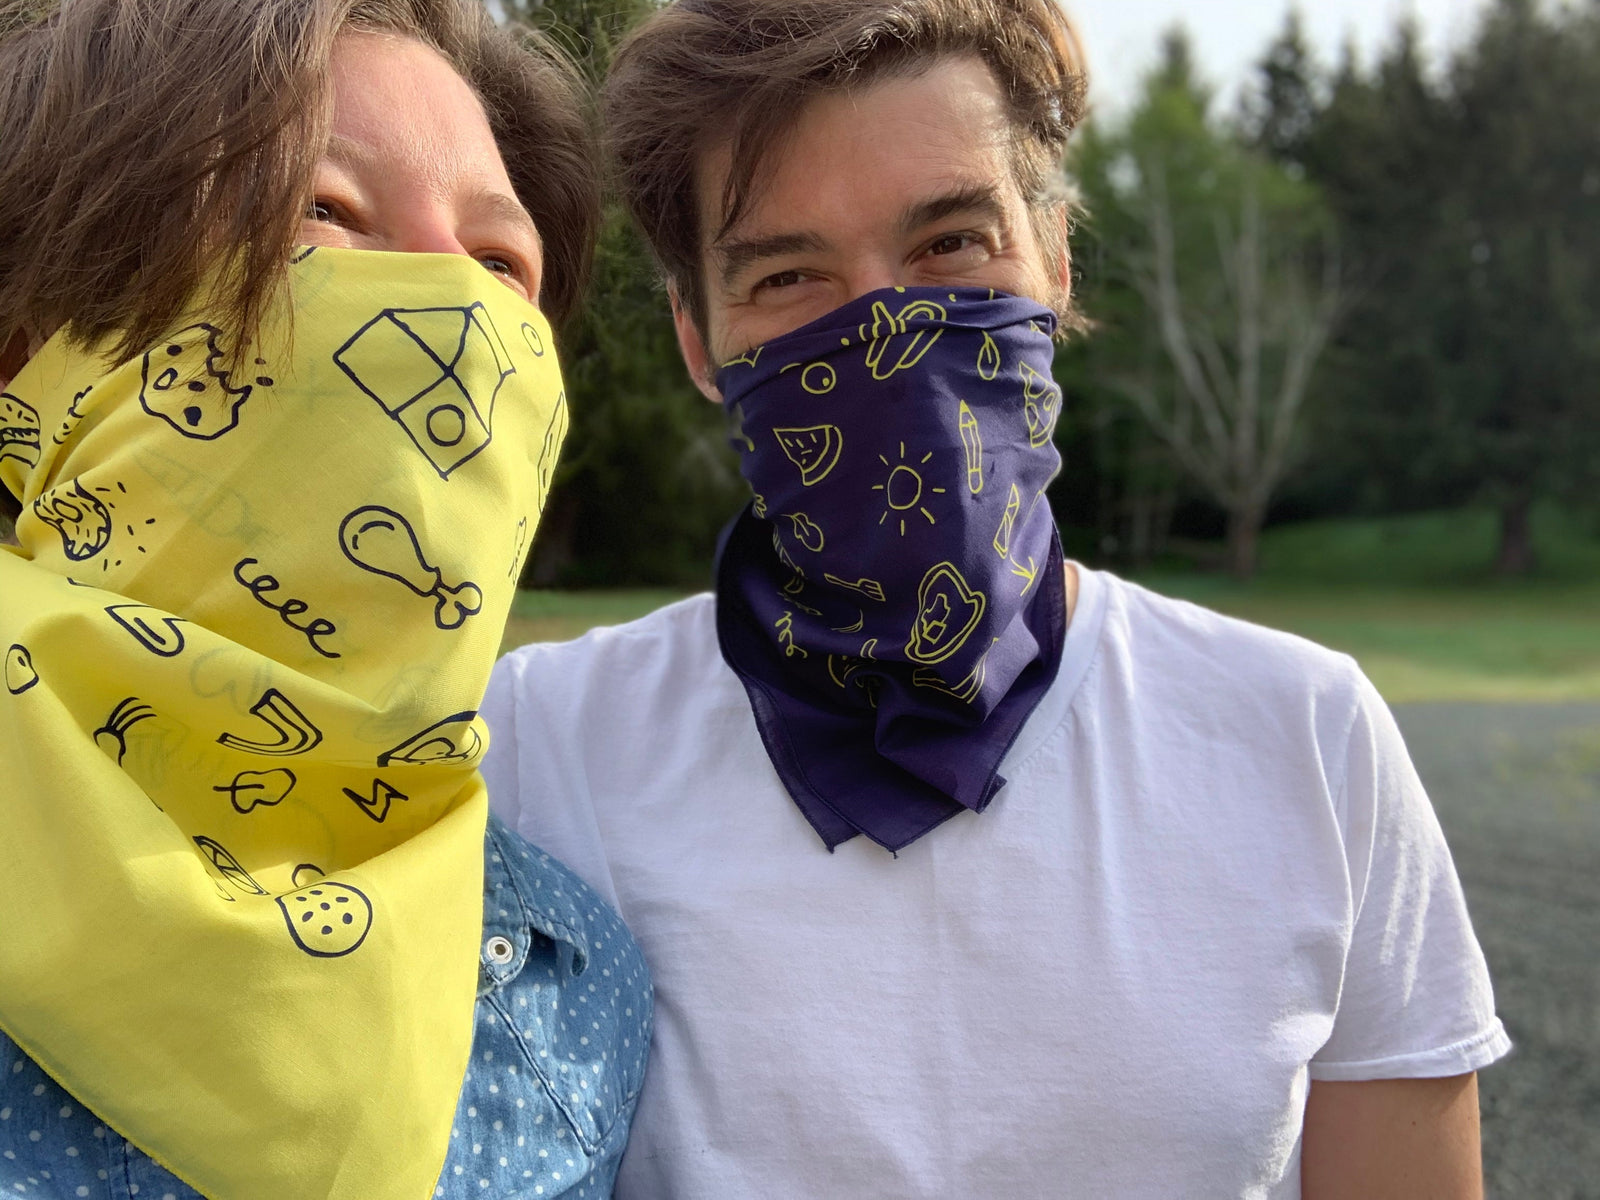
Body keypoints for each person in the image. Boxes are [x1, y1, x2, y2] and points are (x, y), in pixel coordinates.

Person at [481, 0, 1510, 1195]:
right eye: (790, 272)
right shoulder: (545, 749)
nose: (884, 326)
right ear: (699, 343)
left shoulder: (1306, 738)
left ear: (1055, 258)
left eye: (950, 245)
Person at [0, 2, 648, 1198]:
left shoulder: (569, 983)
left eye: (503, 265)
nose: (452, 311)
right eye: (319, 209)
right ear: (31, 341)